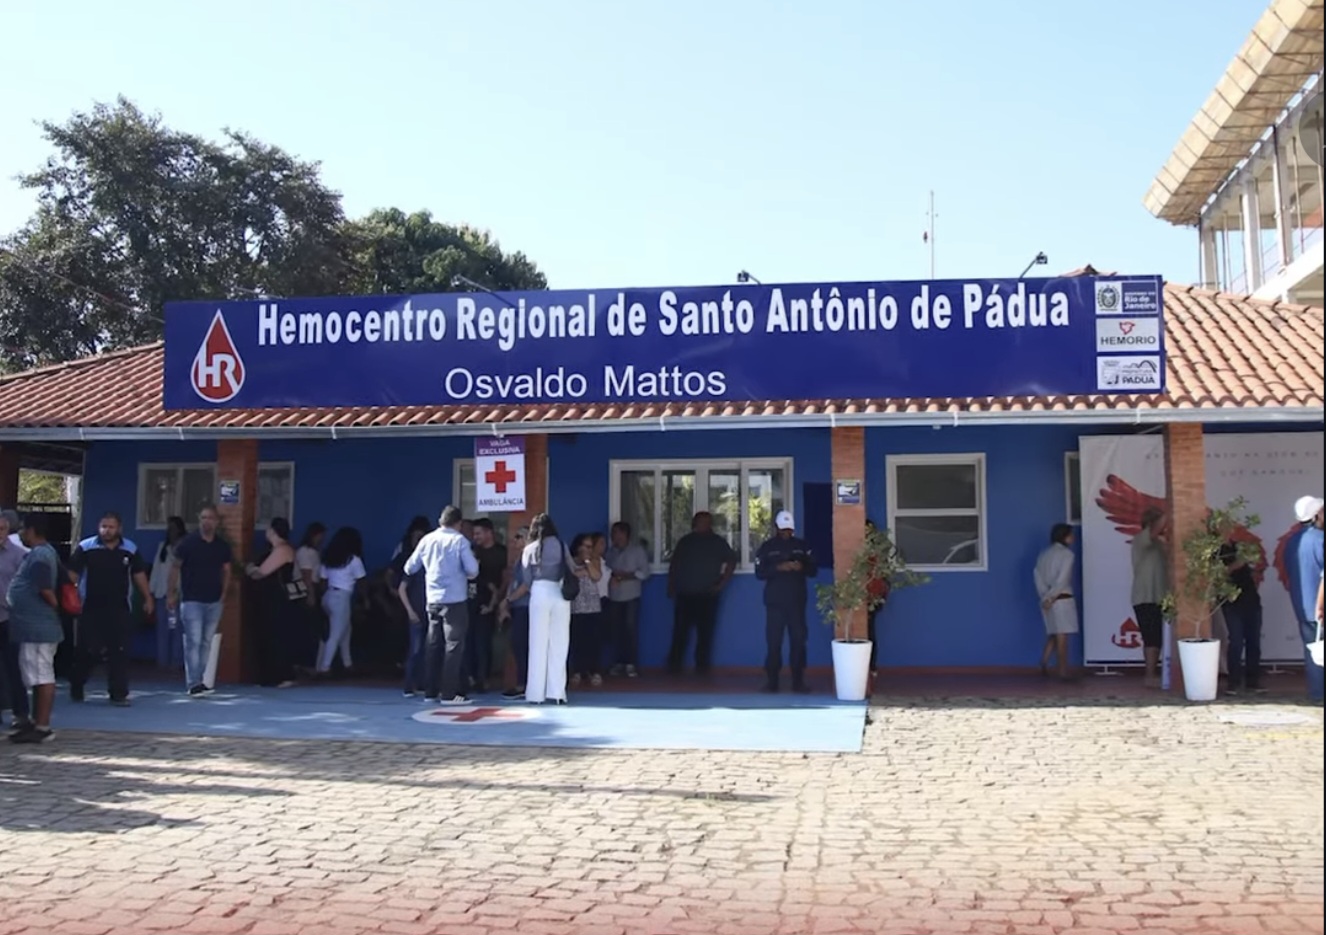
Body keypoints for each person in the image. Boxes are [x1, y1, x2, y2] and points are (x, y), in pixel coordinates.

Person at [66, 511, 154, 705]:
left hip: (120, 608)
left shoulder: (130, 549)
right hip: (90, 608)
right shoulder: (86, 547)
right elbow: (72, 574)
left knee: (119, 651)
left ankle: (118, 694)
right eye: (103, 526)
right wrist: (68, 597)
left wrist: (148, 597)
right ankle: (77, 684)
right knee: (88, 650)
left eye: (111, 527)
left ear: (119, 528)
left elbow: (139, 574)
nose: (106, 530)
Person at [404, 506, 478, 704]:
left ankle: (430, 692)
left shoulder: (426, 540)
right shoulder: (459, 541)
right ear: (459, 523)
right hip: (454, 600)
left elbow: (409, 568)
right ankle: (449, 694)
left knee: (432, 645)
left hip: (432, 600)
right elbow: (473, 570)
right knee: (453, 646)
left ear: (440, 521)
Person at [7, 515, 64, 743]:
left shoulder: (40, 555)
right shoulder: (41, 553)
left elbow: (45, 588)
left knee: (42, 676)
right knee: (35, 676)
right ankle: (35, 722)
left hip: (39, 628)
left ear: (32, 530)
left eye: (23, 529)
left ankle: (42, 727)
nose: (20, 533)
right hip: (32, 628)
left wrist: (53, 605)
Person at [169, 504, 233, 696]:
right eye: (203, 518)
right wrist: (171, 593)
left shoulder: (222, 546)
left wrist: (224, 593)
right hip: (191, 600)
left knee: (206, 642)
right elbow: (175, 568)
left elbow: (227, 570)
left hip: (214, 600)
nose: (206, 522)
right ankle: (194, 682)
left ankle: (200, 679)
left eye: (210, 518)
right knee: (194, 640)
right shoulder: (188, 543)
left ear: (216, 522)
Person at [509, 513, 572, 705]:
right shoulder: (561, 545)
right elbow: (571, 567)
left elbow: (527, 580)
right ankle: (557, 693)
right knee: (559, 644)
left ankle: (536, 694)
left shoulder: (529, 549)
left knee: (537, 644)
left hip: (539, 593)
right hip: (559, 593)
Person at [754, 511, 818, 693]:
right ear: (776, 528)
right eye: (783, 530)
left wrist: (801, 567)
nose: (786, 533)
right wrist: (778, 567)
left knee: (798, 641)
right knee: (774, 643)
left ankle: (798, 681)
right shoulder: (767, 547)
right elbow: (759, 573)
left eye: (789, 529)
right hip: (775, 602)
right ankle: (772, 681)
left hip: (796, 602)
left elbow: (813, 570)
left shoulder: (802, 546)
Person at [666, 512, 737, 676]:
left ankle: (702, 668)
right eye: (700, 522)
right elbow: (674, 564)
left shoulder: (718, 542)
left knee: (705, 634)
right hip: (685, 594)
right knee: (680, 632)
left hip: (707, 595)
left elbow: (732, 561)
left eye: (706, 522)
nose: (703, 524)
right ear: (694, 523)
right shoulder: (686, 541)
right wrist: (671, 585)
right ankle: (674, 666)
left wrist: (722, 584)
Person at [245, 518, 301, 688]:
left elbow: (261, 572)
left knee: (277, 635)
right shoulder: (271, 550)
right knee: (267, 634)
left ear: (274, 531)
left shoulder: (283, 549)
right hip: (267, 598)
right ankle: (268, 675)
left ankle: (282, 675)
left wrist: (251, 569)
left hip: (277, 598)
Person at [1287, 495, 1325, 704]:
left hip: (1302, 607)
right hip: (1320, 606)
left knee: (1313, 651)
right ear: (1317, 515)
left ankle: (1317, 694)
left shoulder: (1293, 541)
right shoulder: (1320, 540)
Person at [318, 527, 367, 676]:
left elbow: (322, 581)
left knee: (345, 630)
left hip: (328, 596)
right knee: (336, 634)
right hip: (342, 598)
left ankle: (347, 663)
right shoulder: (354, 559)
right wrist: (365, 600)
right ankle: (324, 668)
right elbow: (362, 582)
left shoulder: (328, 557)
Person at [467, 519, 508, 693]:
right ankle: (470, 677)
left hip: (490, 603)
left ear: (489, 532)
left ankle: (483, 679)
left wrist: (498, 600)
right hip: (470, 603)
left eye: (478, 533)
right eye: (474, 534)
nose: (475, 537)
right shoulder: (472, 551)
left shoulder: (501, 553)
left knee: (483, 643)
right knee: (469, 643)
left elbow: (506, 578)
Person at [1219, 535, 1264, 696]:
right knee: (1236, 642)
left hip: (1251, 599)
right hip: (1232, 602)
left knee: (1254, 642)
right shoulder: (1214, 551)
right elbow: (1215, 576)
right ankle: (1233, 682)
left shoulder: (1239, 546)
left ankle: (1253, 681)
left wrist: (1255, 570)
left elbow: (1253, 568)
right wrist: (1235, 565)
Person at [1034, 523, 1078, 682]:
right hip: (1061, 599)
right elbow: (1062, 580)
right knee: (1062, 636)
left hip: (1047, 599)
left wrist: (1045, 597)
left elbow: (1037, 576)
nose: (1073, 538)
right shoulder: (1067, 555)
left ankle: (1044, 662)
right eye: (1071, 535)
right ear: (1064, 537)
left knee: (1054, 632)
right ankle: (1063, 671)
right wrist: (1051, 597)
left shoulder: (1044, 554)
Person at [605, 521, 650, 678]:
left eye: (616, 533)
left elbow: (645, 573)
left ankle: (631, 664)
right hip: (613, 597)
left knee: (630, 630)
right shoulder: (610, 552)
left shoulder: (637, 551)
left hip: (631, 597)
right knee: (615, 631)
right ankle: (618, 663)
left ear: (624, 534)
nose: (613, 537)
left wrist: (626, 576)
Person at [1130, 507, 1168, 688]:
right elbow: (1155, 530)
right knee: (1151, 637)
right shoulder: (1141, 539)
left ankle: (1161, 673)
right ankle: (1149, 675)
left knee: (1160, 638)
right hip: (1146, 596)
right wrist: (1169, 511)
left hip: (1163, 597)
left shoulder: (1161, 543)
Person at [0, 510, 31, 730]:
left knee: (13, 667)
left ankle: (21, 714)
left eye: (2, 529)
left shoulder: (19, 555)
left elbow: (27, 587)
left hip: (9, 618)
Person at [392, 520, 430, 697]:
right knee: (415, 649)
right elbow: (402, 589)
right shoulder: (413, 564)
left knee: (426, 650)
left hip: (430, 611)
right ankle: (408, 685)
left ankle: (422, 684)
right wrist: (409, 611)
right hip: (416, 612)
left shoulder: (432, 564)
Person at [148, 516, 187, 670]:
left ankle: (177, 662)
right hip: (162, 594)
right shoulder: (163, 547)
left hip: (180, 595)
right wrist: (150, 592)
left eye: (174, 529)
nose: (171, 532)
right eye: (169, 529)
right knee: (162, 629)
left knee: (178, 629)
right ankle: (162, 661)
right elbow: (156, 570)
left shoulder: (186, 547)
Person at [569, 533, 605, 687]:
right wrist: (583, 571)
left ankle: (594, 671)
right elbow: (571, 575)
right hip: (576, 607)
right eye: (586, 547)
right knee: (577, 641)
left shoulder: (594, 560)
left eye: (591, 547)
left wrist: (587, 562)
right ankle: (578, 671)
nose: (589, 550)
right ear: (579, 547)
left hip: (592, 606)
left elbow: (596, 576)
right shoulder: (570, 561)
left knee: (593, 640)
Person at [499, 526, 531, 699]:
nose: (515, 540)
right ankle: (522, 682)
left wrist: (508, 600)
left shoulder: (528, 558)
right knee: (518, 645)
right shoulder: (521, 558)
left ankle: (524, 684)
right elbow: (514, 582)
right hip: (518, 606)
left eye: (519, 536)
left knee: (522, 645)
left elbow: (526, 585)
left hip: (526, 607)